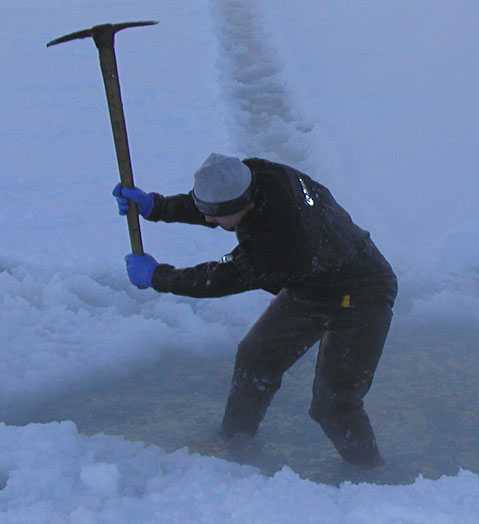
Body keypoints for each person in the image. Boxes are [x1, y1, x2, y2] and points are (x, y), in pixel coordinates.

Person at [113, 154, 397, 467]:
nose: (208, 221)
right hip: (310, 283)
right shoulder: (252, 174)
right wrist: (158, 206)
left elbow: (223, 276)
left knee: (333, 403)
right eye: (205, 210)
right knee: (256, 357)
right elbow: (218, 206)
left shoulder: (278, 241)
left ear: (244, 205)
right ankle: (235, 441)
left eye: (214, 216)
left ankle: (369, 474)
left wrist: (158, 276)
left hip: (361, 292)